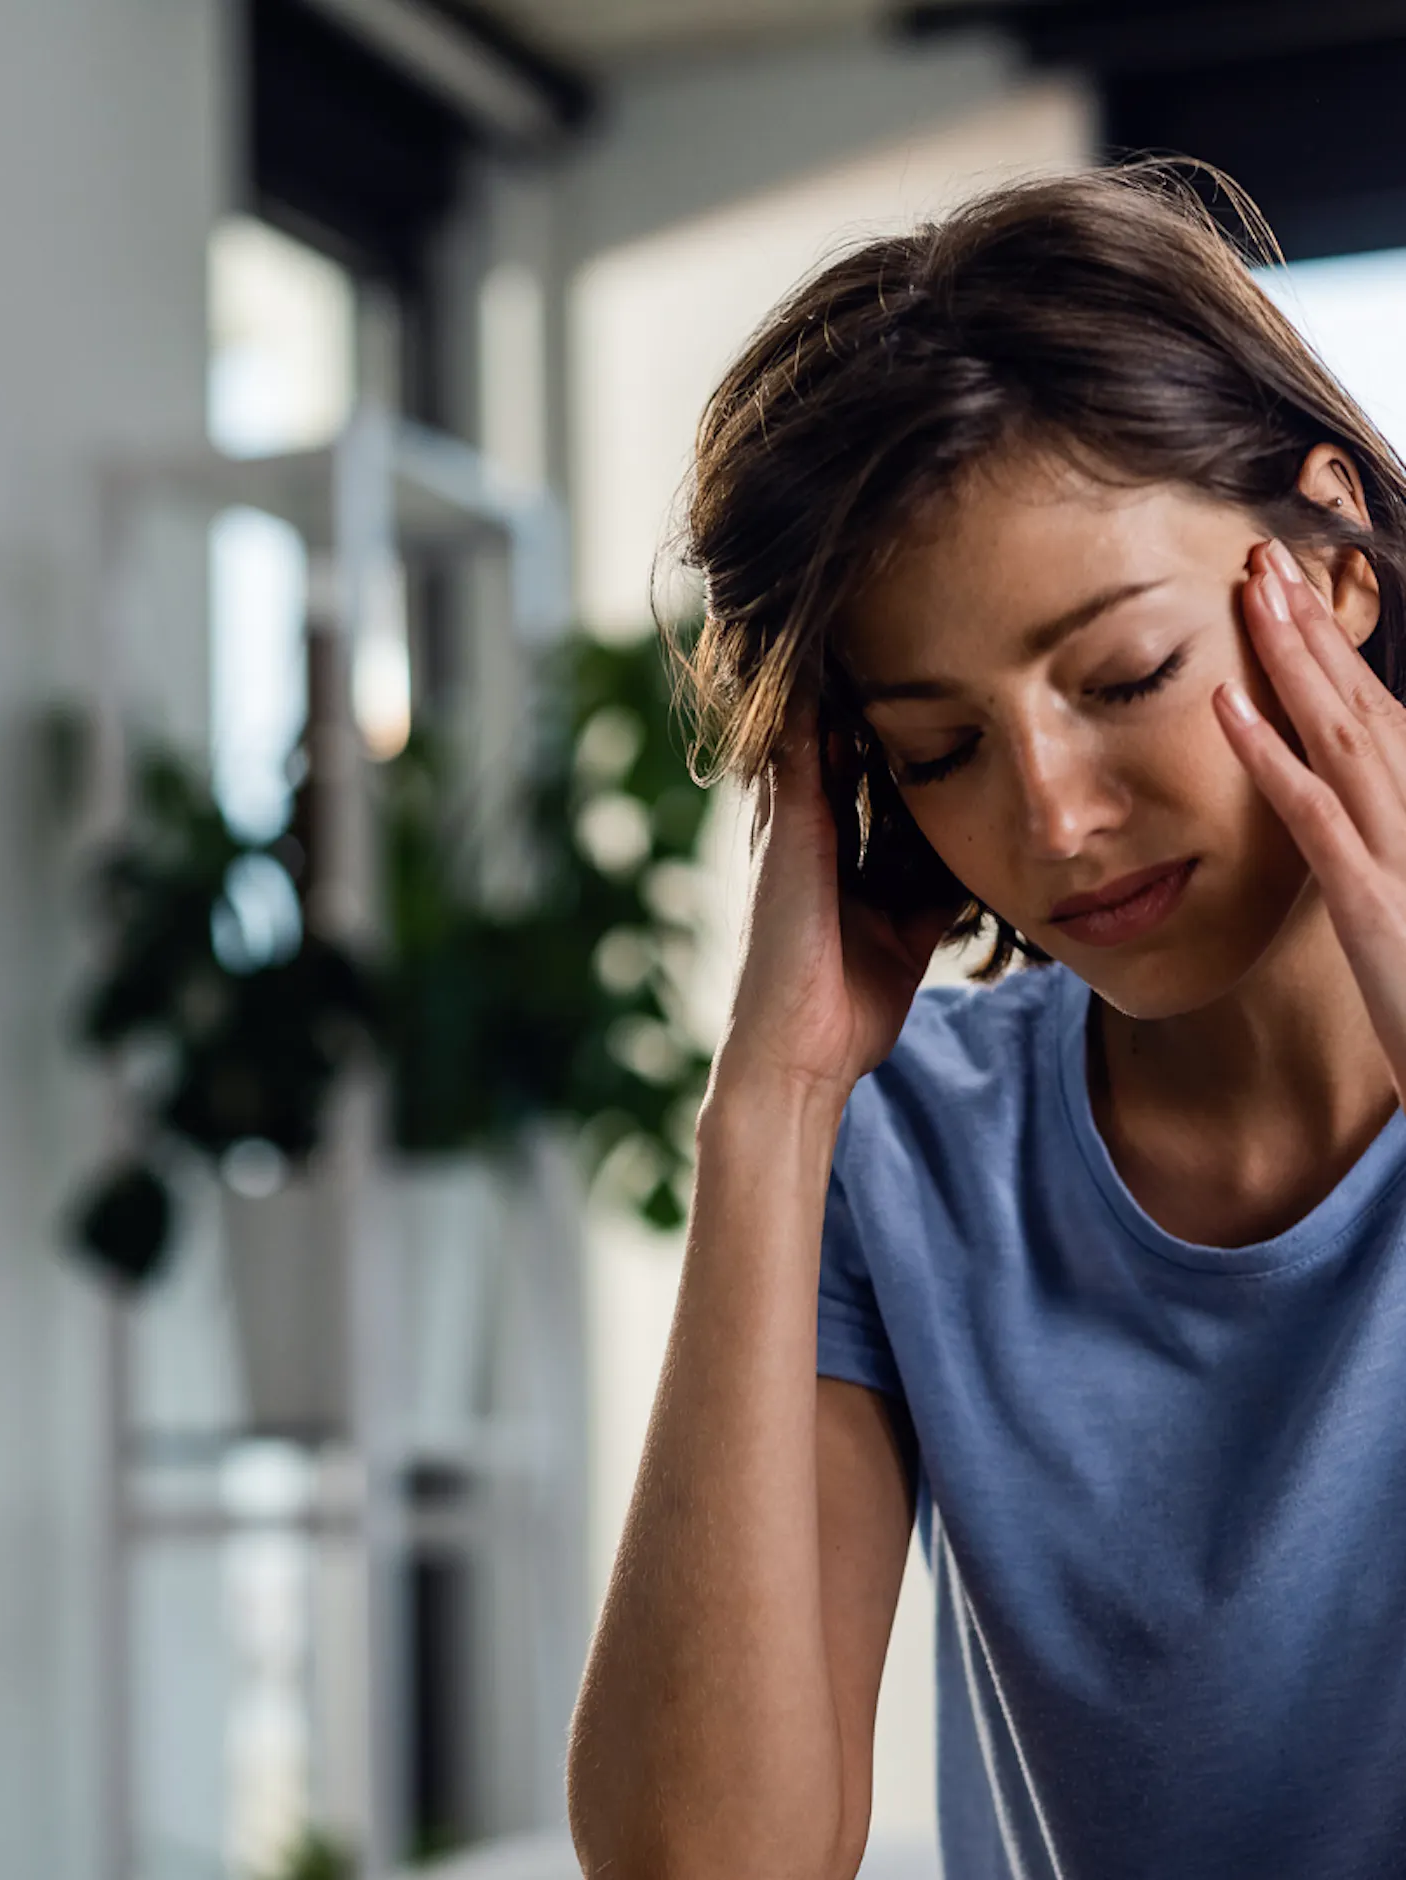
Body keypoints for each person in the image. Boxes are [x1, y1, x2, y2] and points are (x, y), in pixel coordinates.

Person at [564, 163, 1406, 1880]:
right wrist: (771, 1111)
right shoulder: (913, 1149)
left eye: (1125, 677)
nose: (1054, 818)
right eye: (940, 749)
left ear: (1331, 569)